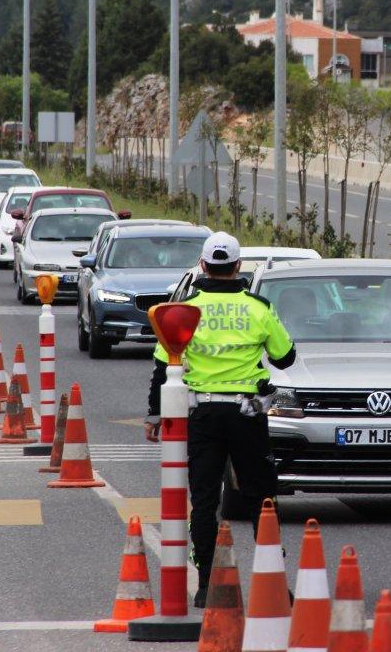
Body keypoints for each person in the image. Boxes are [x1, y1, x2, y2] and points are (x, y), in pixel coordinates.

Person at [143, 231, 296, 608]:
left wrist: (153, 414)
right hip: (247, 415)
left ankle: (206, 584)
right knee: (263, 498)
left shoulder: (186, 309)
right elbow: (285, 358)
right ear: (238, 266)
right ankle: (274, 584)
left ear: (203, 265)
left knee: (205, 498)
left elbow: (162, 368)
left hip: (203, 415)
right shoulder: (259, 307)